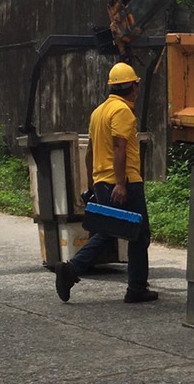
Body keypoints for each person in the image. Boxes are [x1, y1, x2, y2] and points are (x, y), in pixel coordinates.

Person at [55, 61, 157, 305]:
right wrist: (121, 184)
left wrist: (91, 183)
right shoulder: (122, 112)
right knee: (131, 233)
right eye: (136, 85)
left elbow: (90, 151)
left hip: (103, 181)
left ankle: (136, 287)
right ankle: (74, 269)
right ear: (132, 87)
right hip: (124, 183)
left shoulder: (98, 111)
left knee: (122, 231)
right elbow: (119, 147)